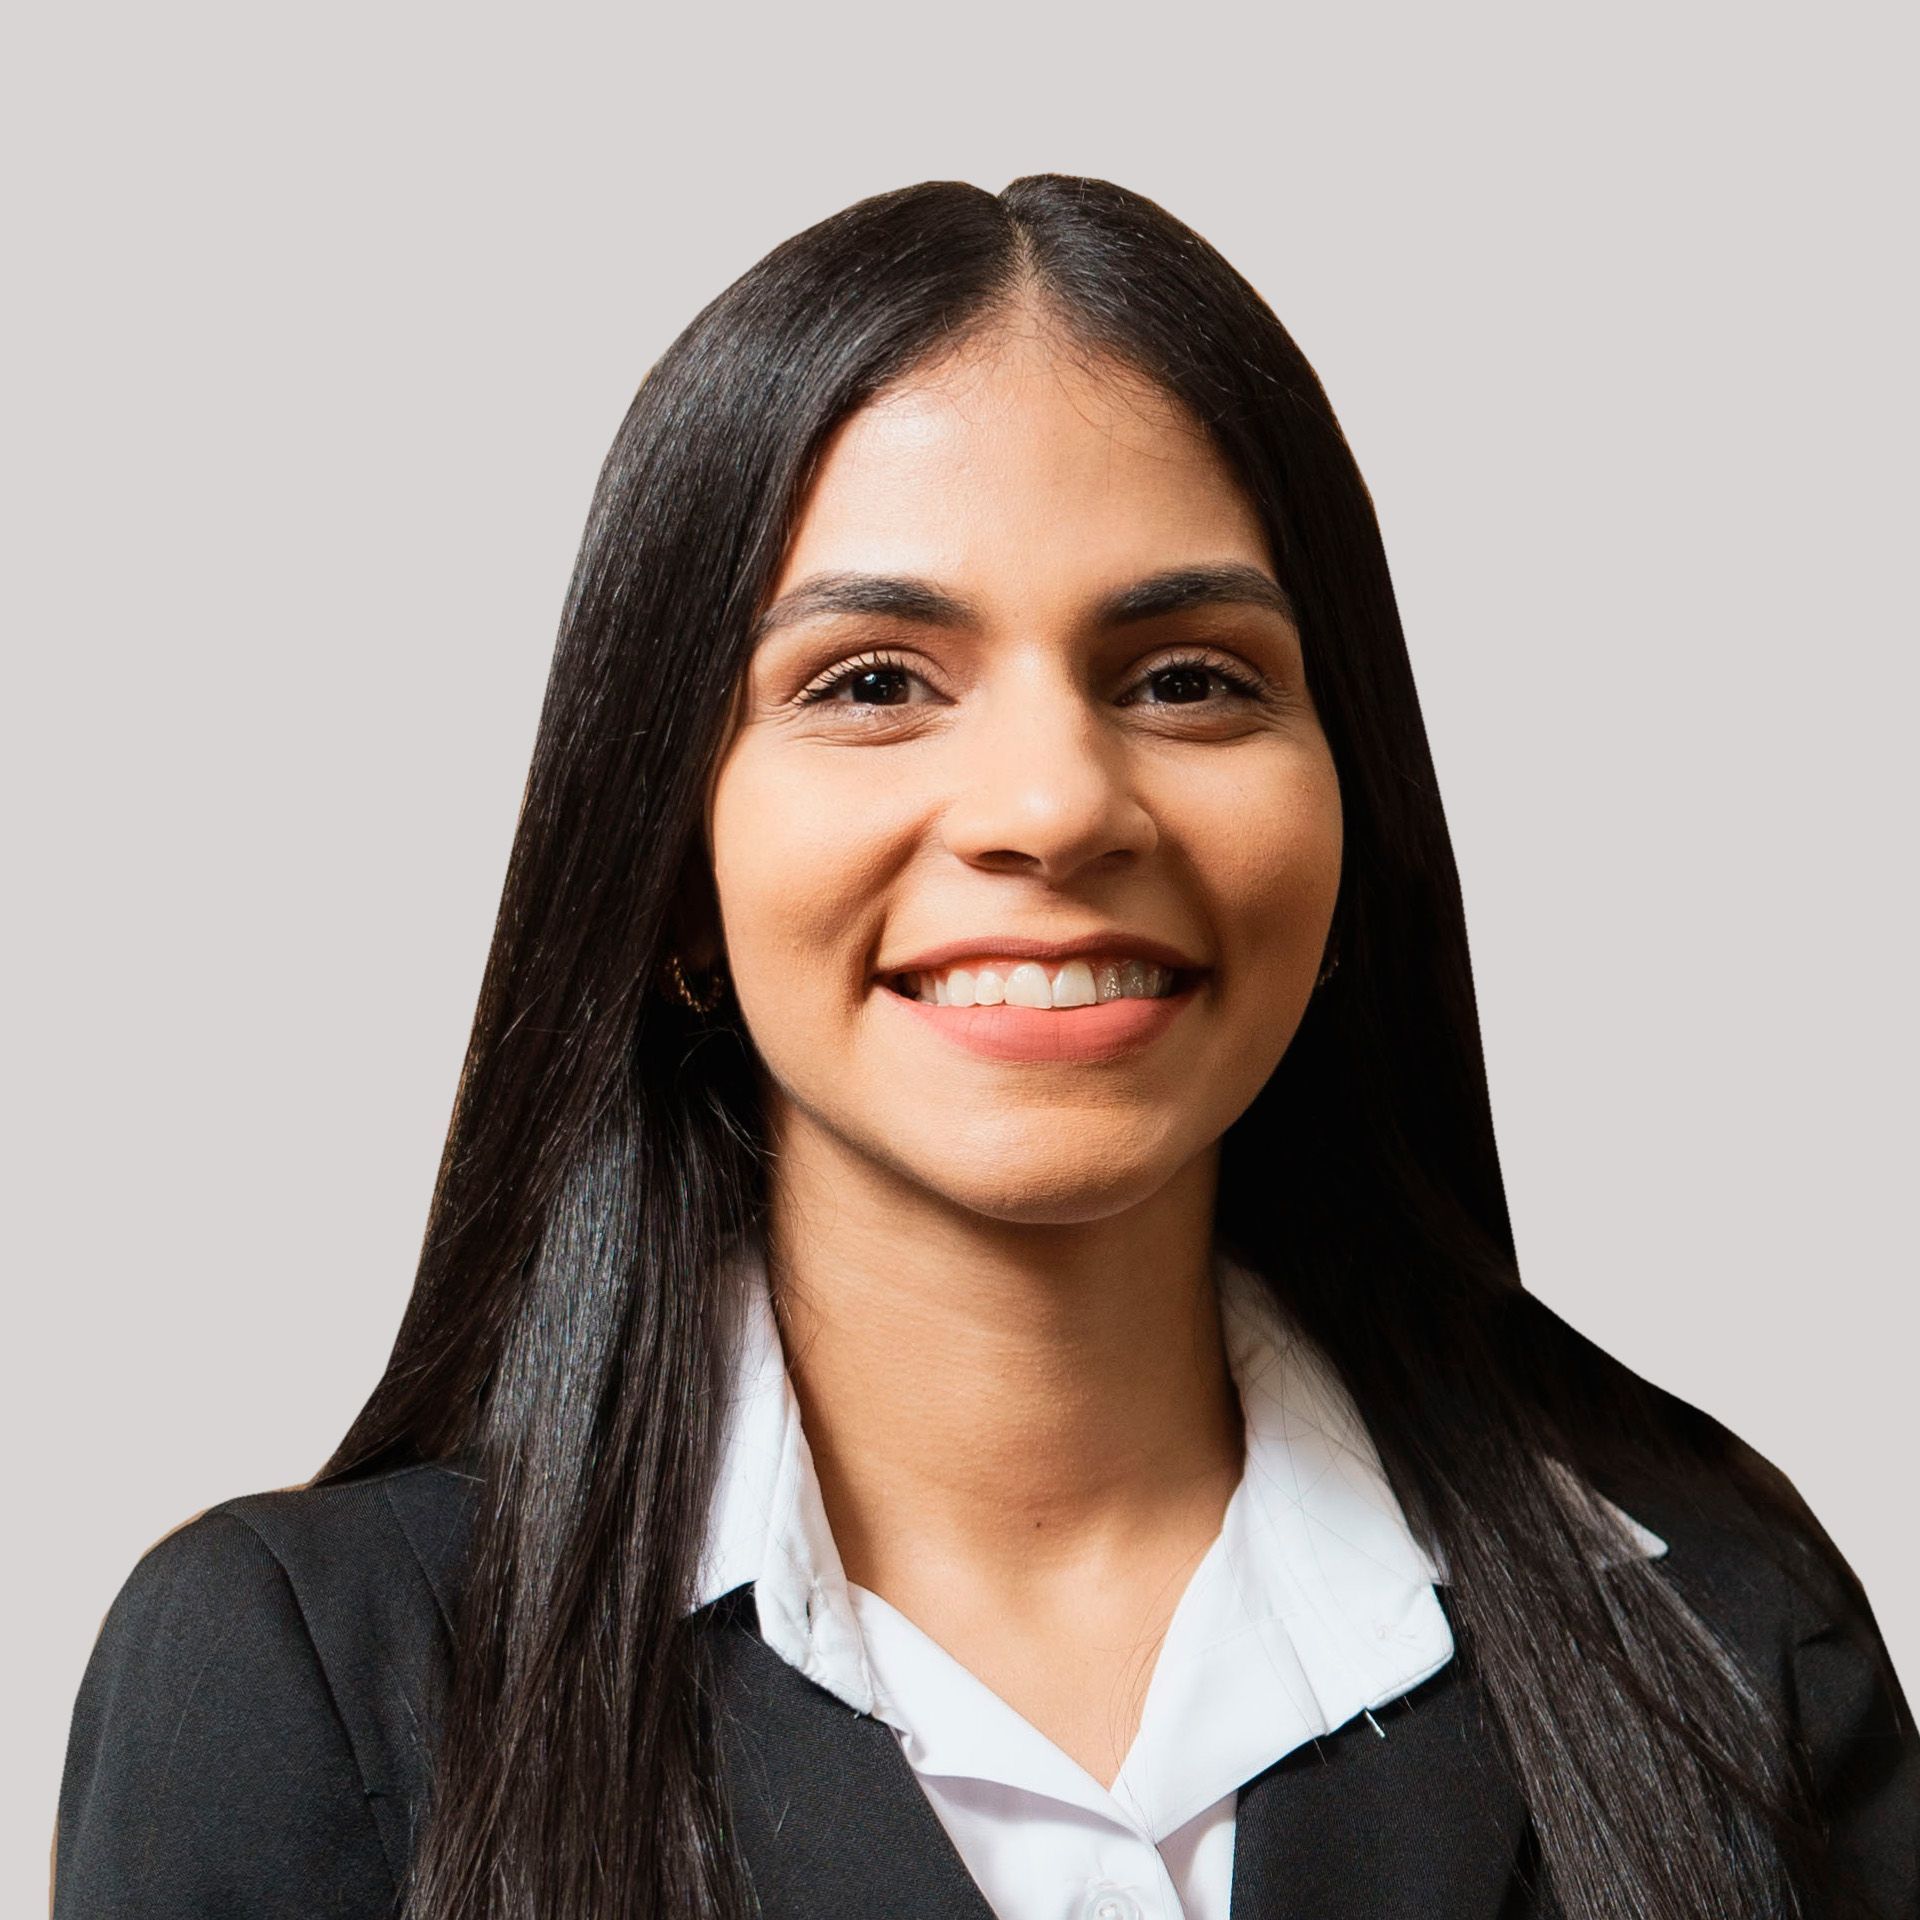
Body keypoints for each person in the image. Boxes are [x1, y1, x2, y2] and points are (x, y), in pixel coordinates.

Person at [52, 174, 1916, 1920]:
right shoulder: (309, 1688)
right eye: (872, 683)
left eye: (1188, 678)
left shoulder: (1733, 1640)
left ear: (1348, 817)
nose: (1053, 803)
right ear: (676, 871)